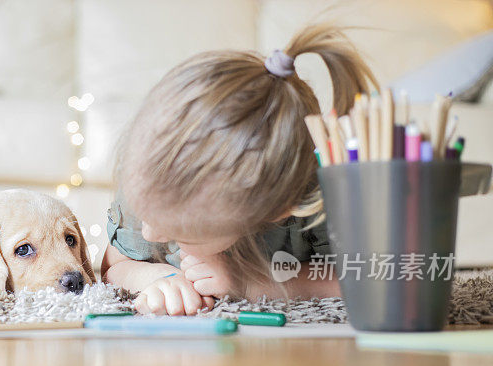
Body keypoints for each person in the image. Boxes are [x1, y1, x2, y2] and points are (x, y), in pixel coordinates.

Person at [101, 24, 377, 315]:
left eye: (184, 233)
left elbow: (366, 278)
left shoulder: (320, 197)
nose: (150, 233)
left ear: (276, 210)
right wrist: (159, 278)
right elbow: (113, 265)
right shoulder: (153, 174)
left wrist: (251, 285)